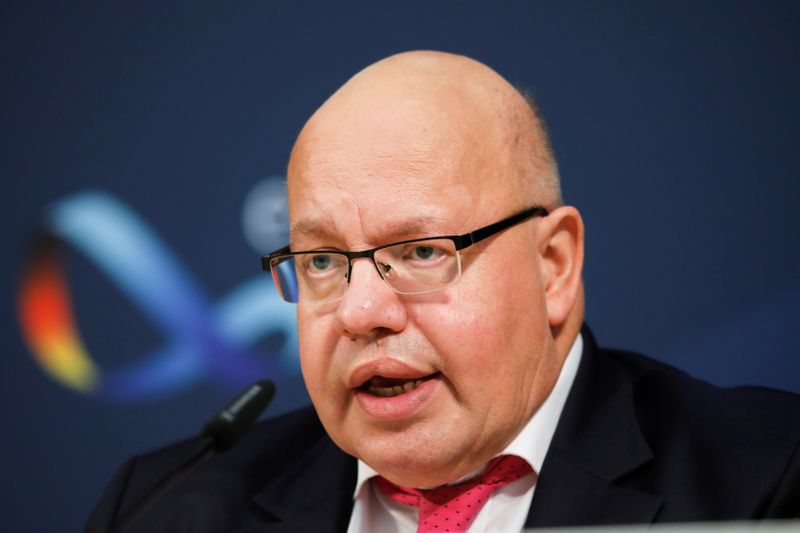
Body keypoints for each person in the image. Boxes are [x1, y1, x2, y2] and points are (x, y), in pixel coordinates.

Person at [87, 51, 800, 532]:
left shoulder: (765, 481)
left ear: (553, 265)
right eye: (323, 262)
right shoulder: (163, 507)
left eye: (423, 251)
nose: (363, 312)